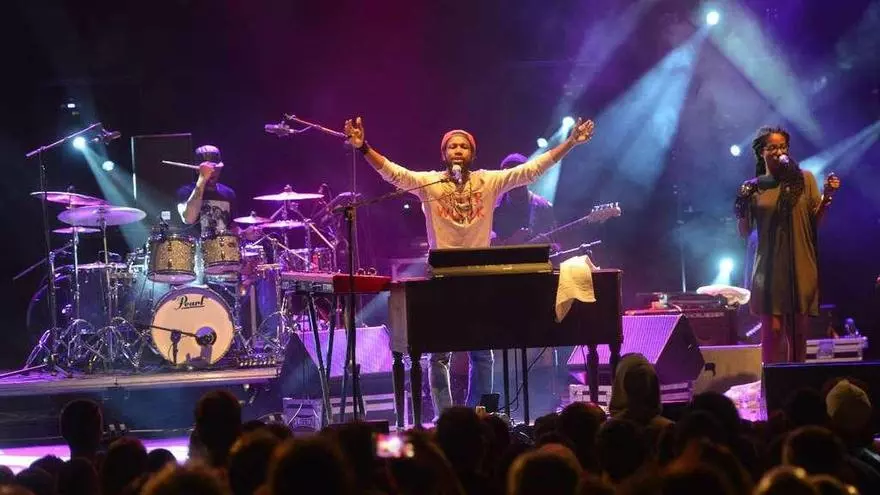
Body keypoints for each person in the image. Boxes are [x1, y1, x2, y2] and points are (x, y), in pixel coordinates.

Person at [343, 116, 594, 414]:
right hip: (441, 278)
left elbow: (532, 170)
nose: (458, 150)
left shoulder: (488, 182)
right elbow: (394, 174)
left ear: (472, 154)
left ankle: (479, 413)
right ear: (444, 154)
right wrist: (364, 148)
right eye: (452, 146)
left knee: (483, 353)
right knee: (439, 355)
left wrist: (570, 143)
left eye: (463, 146)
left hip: (478, 277)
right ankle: (446, 416)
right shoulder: (429, 183)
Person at [734, 126, 840, 363]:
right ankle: (770, 381)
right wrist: (740, 208)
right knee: (772, 332)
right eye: (773, 147)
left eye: (783, 146)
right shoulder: (754, 187)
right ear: (761, 152)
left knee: (798, 334)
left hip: (800, 262)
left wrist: (827, 197)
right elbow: (744, 232)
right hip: (769, 268)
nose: (779, 151)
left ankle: (797, 381)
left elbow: (816, 222)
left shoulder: (805, 179)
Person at [492, 153, 557, 246]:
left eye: (519, 174)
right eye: (508, 175)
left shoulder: (543, 206)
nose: (514, 179)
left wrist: (549, 245)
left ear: (528, 176)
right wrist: (505, 243)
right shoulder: (492, 205)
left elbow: (555, 243)